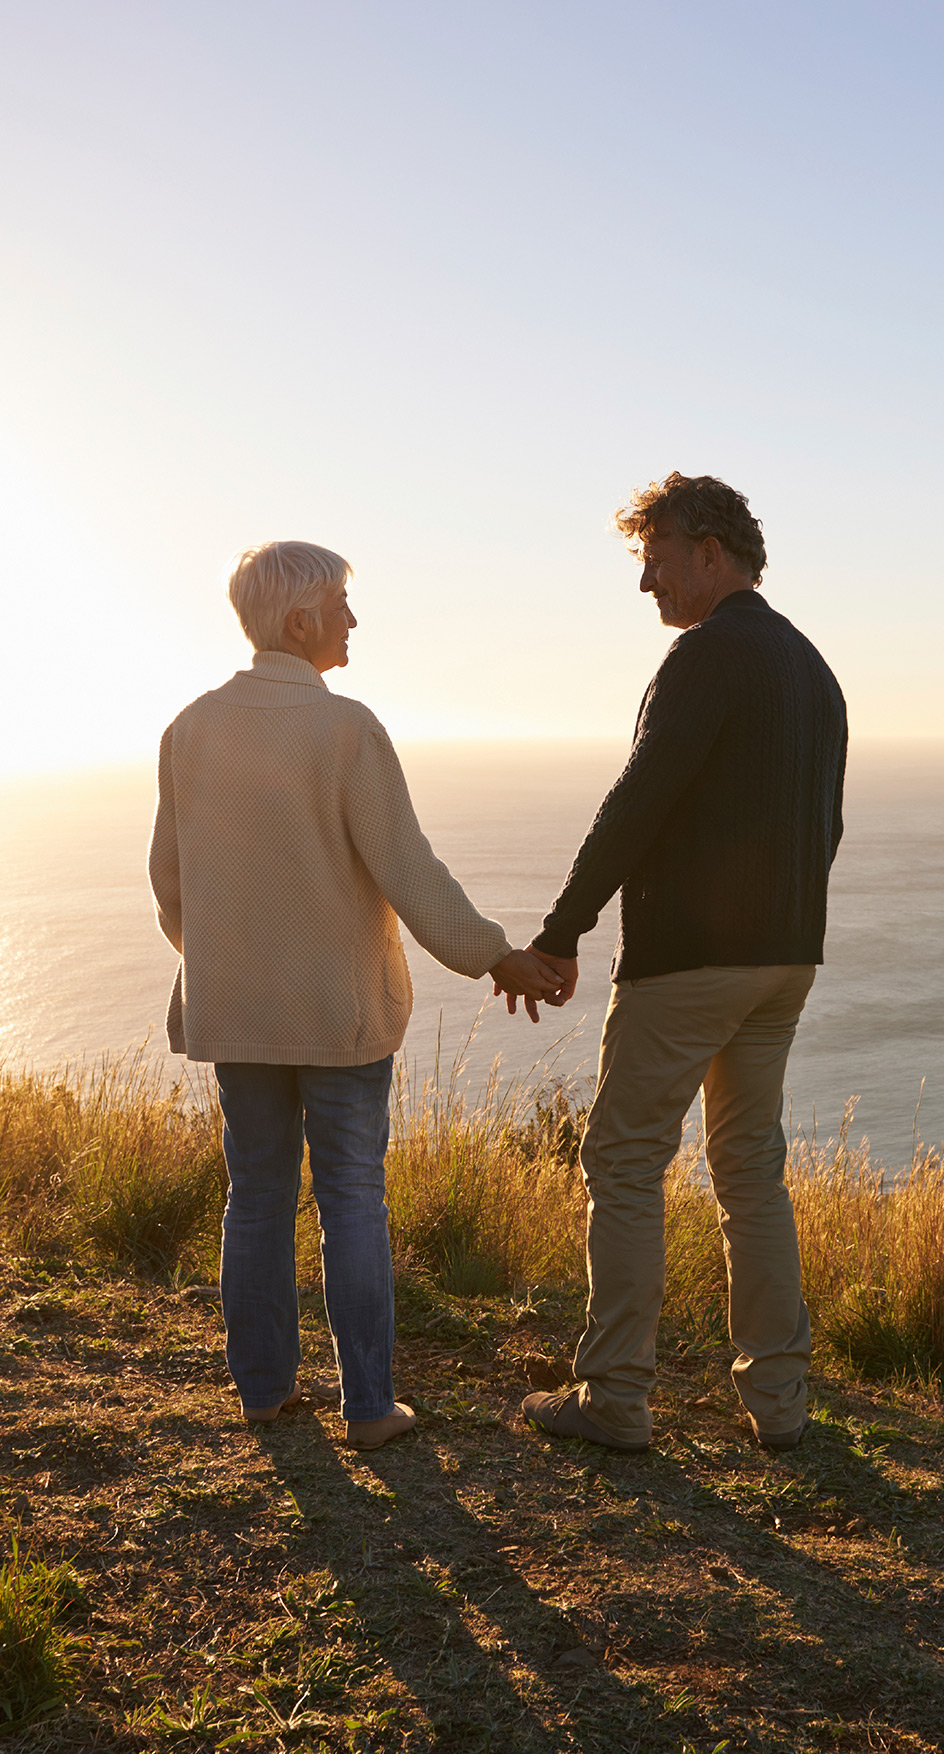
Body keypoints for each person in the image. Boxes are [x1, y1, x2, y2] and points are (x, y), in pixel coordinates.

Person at [149, 541, 563, 1449]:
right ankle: (370, 1408)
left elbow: (171, 886)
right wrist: (497, 957)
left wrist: (234, 965)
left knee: (254, 1198)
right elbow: (409, 872)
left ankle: (263, 1394)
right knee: (350, 1199)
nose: (352, 619)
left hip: (239, 1015)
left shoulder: (190, 729)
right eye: (341, 603)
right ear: (299, 621)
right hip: (340, 1014)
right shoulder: (346, 731)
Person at [516, 474, 847, 1455]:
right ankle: (779, 1405)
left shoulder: (705, 659)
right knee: (750, 1172)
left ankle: (613, 1396)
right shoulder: (811, 668)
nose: (647, 582)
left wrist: (561, 929)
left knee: (621, 1161)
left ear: (711, 551)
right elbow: (823, 827)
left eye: (655, 558)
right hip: (783, 962)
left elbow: (639, 800)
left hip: (689, 963)